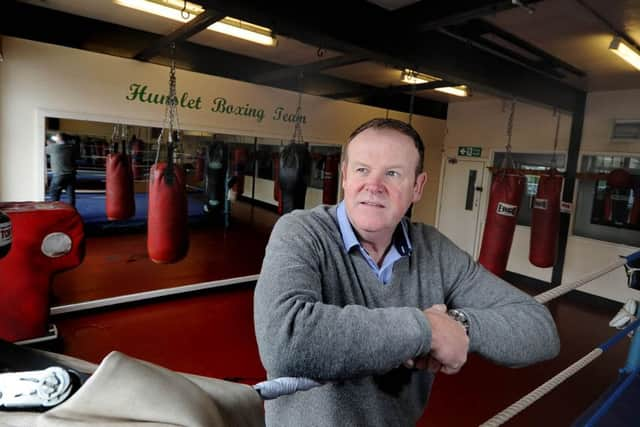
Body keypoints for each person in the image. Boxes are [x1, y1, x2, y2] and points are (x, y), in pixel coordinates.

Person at [254, 118, 560, 426]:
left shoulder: (435, 252)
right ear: (344, 177)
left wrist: (457, 324)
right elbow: (285, 340)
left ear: (417, 187)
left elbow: (539, 329)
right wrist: (426, 329)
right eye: (362, 169)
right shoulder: (300, 232)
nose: (373, 185)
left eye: (393, 173)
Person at [46, 132, 78, 207]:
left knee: (54, 195)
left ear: (58, 138)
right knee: (71, 196)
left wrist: (49, 143)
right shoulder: (71, 147)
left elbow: (45, 150)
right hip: (71, 175)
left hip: (59, 175)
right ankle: (73, 212)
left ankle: (55, 212)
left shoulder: (53, 147)